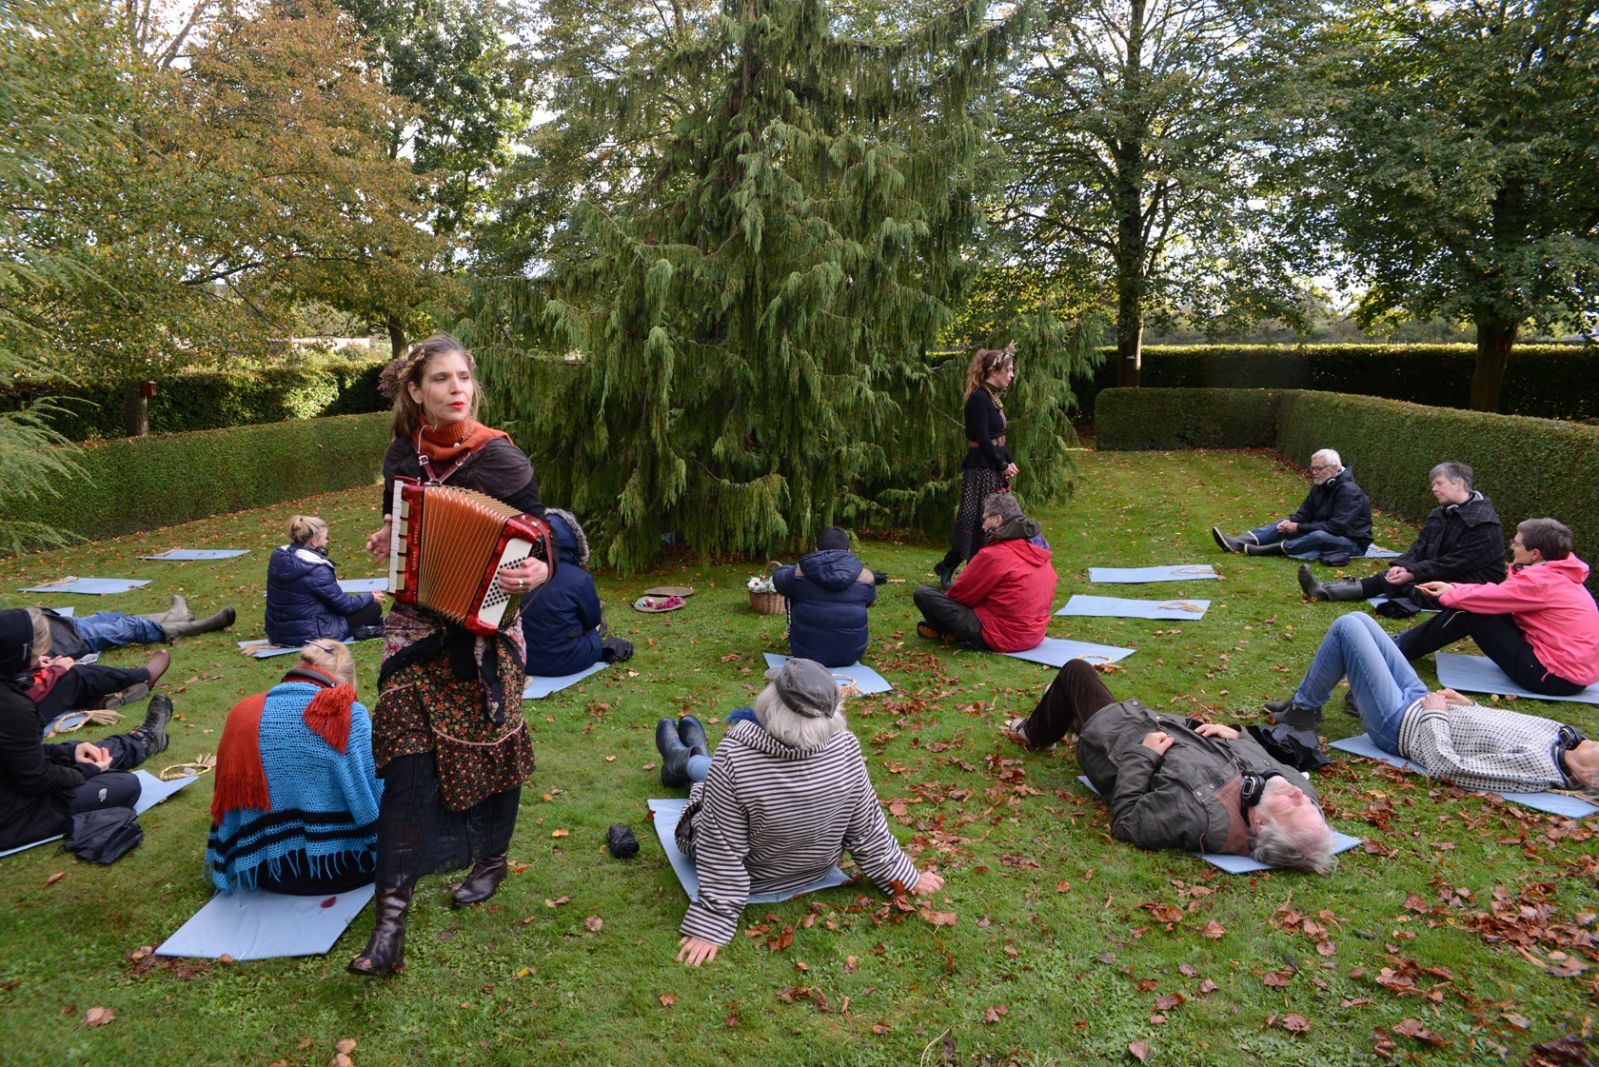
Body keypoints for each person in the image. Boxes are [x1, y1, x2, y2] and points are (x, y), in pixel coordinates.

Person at [349, 333, 549, 977]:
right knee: (405, 758)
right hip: (415, 622)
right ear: (416, 391)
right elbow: (398, 520)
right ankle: (390, 926)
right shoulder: (401, 457)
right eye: (442, 379)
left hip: (488, 628)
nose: (457, 389)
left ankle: (490, 859)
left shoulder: (501, 461)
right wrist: (390, 537)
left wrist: (538, 572)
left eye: (464, 377)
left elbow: (546, 539)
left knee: (496, 747)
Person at [653, 658, 945, 966]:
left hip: (758, 875)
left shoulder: (735, 757)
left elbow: (719, 846)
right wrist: (905, 877)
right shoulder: (846, 747)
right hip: (816, 867)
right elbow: (868, 830)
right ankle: (690, 757)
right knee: (720, 782)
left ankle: (686, 759)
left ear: (772, 702)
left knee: (706, 792)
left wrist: (712, 922)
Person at [1005, 659, 1338, 873]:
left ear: (1260, 823)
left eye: (1294, 805)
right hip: (1161, 725)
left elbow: (1127, 820)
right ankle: (1066, 710)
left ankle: (1036, 731)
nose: (1299, 793)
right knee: (1077, 692)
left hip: (1119, 743)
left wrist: (1145, 755)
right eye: (1309, 803)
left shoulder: (1198, 818)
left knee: (1076, 673)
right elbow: (1284, 774)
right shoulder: (1291, 794)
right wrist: (1236, 735)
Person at [1264, 611, 1599, 798]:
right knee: (1362, 621)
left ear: (1591, 778)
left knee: (1347, 627)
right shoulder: (1566, 734)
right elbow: (1500, 727)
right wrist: (1467, 706)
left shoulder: (1542, 769)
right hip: (1427, 703)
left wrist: (1436, 714)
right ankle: (1303, 706)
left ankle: (1304, 709)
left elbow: (1449, 767)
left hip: (1401, 726)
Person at [207, 640, 383, 894]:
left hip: (264, 867)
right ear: (343, 682)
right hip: (346, 867)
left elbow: (226, 803)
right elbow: (376, 793)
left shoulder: (242, 714)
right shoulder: (346, 714)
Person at [0, 608, 174, 853]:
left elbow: (16, 753)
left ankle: (141, 742)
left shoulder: (11, 703)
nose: (41, 660)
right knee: (126, 785)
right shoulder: (13, 708)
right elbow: (37, 779)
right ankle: (140, 742)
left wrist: (71, 753)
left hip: (14, 781)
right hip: (16, 815)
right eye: (38, 653)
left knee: (84, 750)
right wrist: (86, 771)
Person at [1389, 518, 1599, 697]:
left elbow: (1489, 598)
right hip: (1573, 676)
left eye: (1516, 543)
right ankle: (1404, 643)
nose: (1511, 547)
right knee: (1477, 605)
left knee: (1468, 611)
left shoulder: (1541, 582)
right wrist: (1454, 587)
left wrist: (1450, 593)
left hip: (1553, 678)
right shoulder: (1557, 575)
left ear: (1535, 554)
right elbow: (1498, 596)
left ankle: (1398, 648)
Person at [1297, 462, 1504, 611]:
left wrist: (1413, 573)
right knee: (1391, 577)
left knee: (1420, 589)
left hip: (1472, 582)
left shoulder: (1483, 522)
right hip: (1442, 570)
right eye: (1433, 484)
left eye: (1439, 483)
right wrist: (1404, 565)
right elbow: (1420, 546)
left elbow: (1457, 562)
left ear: (1459, 484)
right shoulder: (1440, 513)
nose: (1434, 488)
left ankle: (1325, 591)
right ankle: (1323, 590)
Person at [914, 492, 1057, 653]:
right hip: (1034, 635)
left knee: (924, 594)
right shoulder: (1040, 547)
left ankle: (946, 631)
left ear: (998, 519)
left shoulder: (995, 554)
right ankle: (948, 632)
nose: (982, 526)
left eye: (985, 519)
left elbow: (960, 595)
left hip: (1000, 637)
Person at [932, 343, 1018, 590]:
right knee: (973, 519)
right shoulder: (979, 399)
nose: (1012, 375)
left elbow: (999, 435)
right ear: (995, 370)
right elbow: (981, 437)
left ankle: (976, 571)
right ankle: (951, 566)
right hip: (980, 469)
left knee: (992, 520)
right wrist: (1001, 464)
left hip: (992, 466)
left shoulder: (994, 399)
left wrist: (1008, 460)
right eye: (1009, 370)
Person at [519, 508, 630, 677]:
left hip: (526, 661)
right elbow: (592, 621)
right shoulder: (580, 578)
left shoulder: (520, 573)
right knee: (596, 629)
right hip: (568, 662)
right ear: (574, 541)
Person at [1212, 448, 1372, 563]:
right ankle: (1237, 542)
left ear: (1335, 468)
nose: (1314, 472)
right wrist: (1291, 522)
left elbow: (1336, 528)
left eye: (1319, 469)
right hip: (1326, 531)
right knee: (1283, 523)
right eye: (1313, 468)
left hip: (1352, 544)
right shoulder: (1321, 484)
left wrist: (1299, 528)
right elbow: (1304, 514)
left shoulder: (1350, 492)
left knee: (1318, 536)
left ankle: (1267, 550)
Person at [23, 608, 170, 721]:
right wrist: (57, 669)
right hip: (24, 716)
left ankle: (99, 701)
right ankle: (142, 676)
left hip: (65, 629)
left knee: (110, 619)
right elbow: (29, 690)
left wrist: (35, 664)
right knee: (75, 675)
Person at [264, 514, 384, 647]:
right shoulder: (317, 570)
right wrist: (371, 596)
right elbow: (345, 606)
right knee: (374, 608)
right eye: (325, 537)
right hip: (311, 636)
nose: (327, 541)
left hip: (276, 634)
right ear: (314, 542)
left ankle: (375, 624)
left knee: (368, 615)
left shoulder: (279, 558)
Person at [771, 527, 877, 668]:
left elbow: (779, 582)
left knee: (791, 593)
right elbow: (869, 601)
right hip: (851, 655)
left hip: (806, 654)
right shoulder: (867, 577)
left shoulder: (798, 574)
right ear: (849, 550)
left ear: (816, 549)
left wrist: (787, 569)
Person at [33, 597, 236, 659]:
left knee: (108, 618)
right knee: (124, 627)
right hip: (61, 642)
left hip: (58, 625)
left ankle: (175, 617)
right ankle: (184, 628)